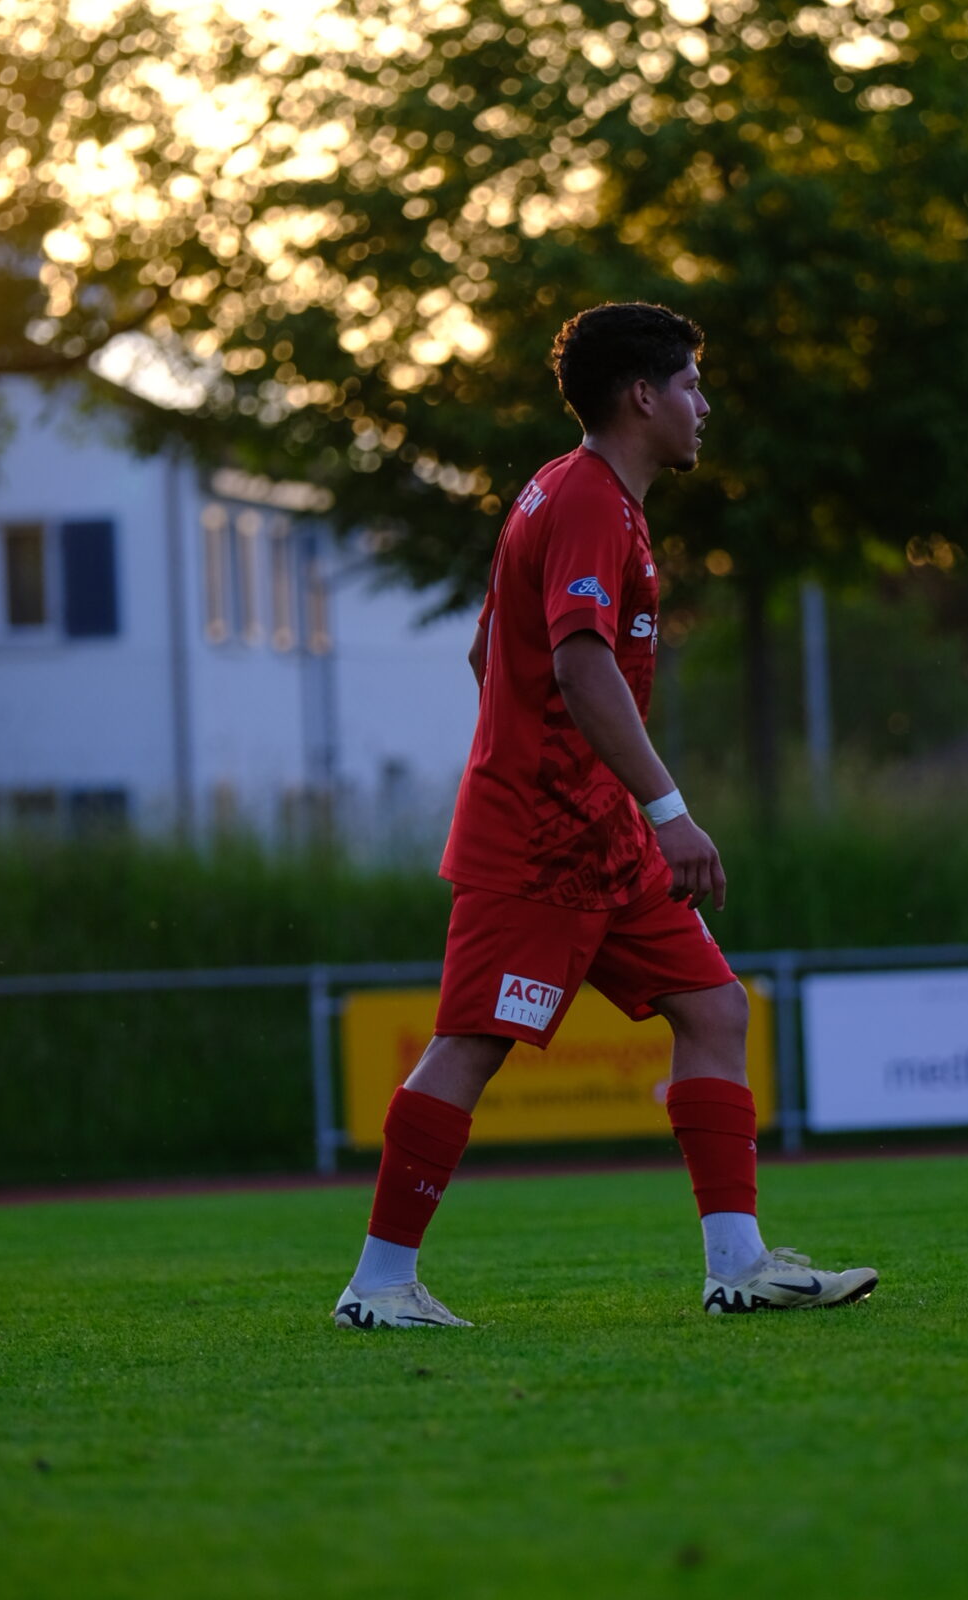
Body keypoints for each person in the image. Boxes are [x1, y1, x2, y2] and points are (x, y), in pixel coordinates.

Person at [333, 301, 879, 1329]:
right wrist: (661, 808)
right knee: (472, 1042)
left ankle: (739, 1265)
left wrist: (578, 776)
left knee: (714, 1008)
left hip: (598, 830)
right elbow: (580, 665)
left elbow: (486, 653)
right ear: (642, 395)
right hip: (540, 837)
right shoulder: (586, 498)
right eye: (691, 385)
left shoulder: (570, 491)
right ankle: (379, 1284)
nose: (703, 406)